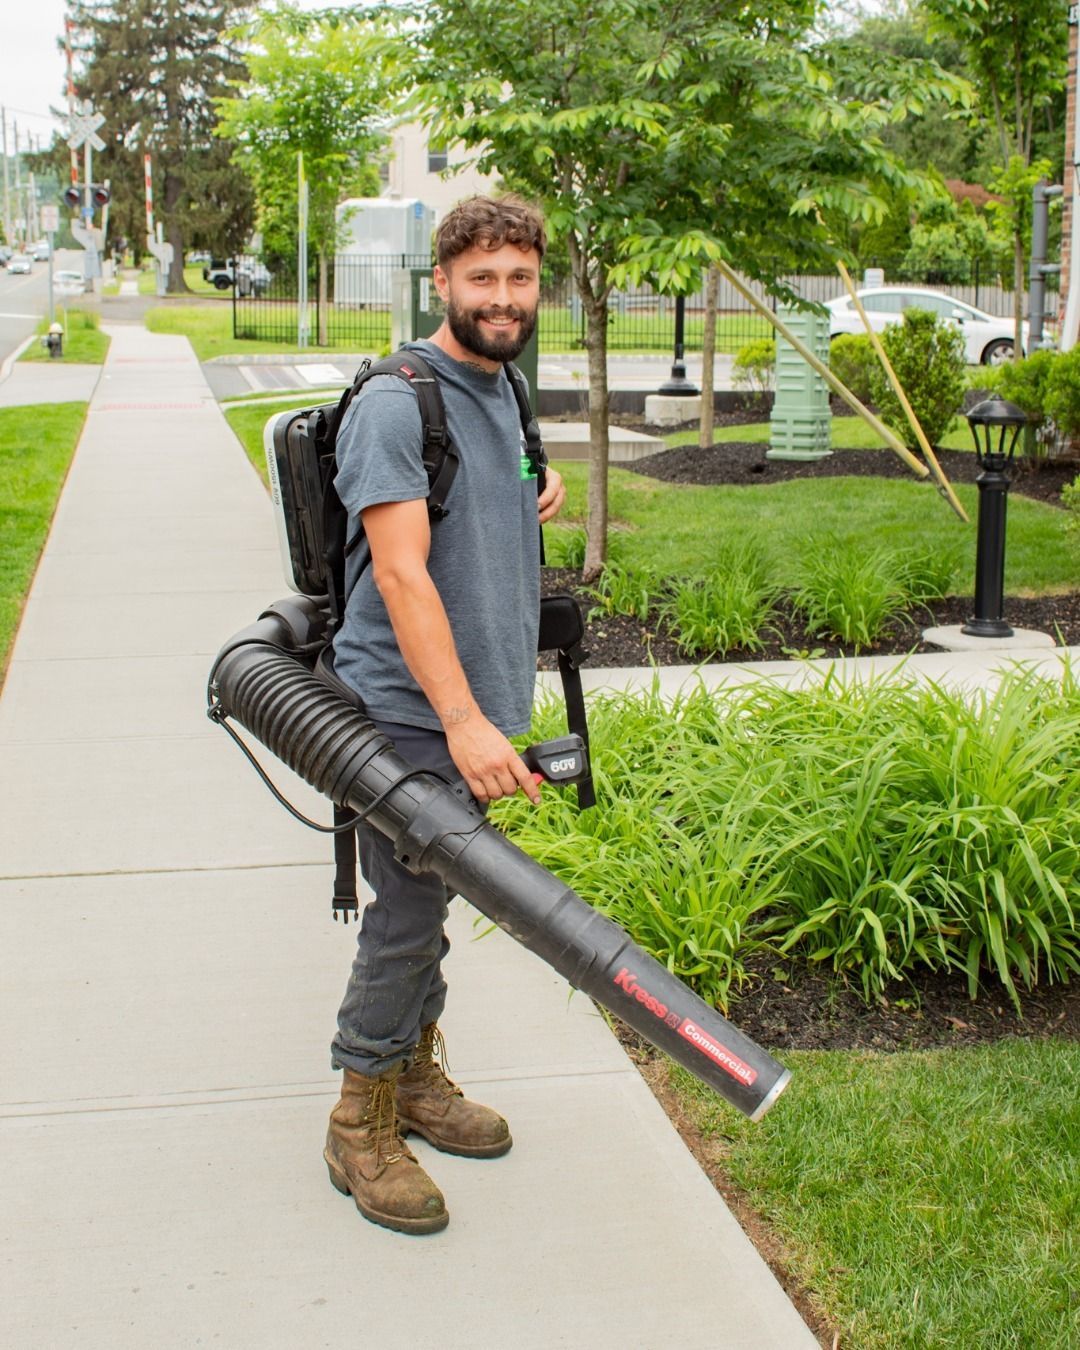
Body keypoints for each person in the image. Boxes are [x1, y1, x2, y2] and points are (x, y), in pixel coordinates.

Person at [323, 194, 566, 1235]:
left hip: (468, 706)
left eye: (518, 279)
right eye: (482, 279)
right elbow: (402, 574)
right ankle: (358, 1117)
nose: (502, 298)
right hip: (409, 713)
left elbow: (482, 494)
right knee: (410, 913)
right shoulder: (396, 400)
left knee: (431, 906)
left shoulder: (502, 387)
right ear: (443, 284)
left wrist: (537, 476)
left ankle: (415, 1080)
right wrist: (464, 722)